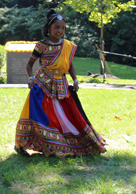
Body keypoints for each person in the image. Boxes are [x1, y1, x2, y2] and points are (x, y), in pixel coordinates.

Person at [14, 10, 106, 157]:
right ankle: (31, 143)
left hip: (61, 84)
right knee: (41, 112)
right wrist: (30, 78)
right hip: (42, 84)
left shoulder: (67, 46)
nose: (60, 31)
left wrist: (75, 79)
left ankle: (66, 140)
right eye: (57, 27)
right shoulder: (41, 45)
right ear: (49, 28)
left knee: (66, 112)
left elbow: (69, 65)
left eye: (62, 28)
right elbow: (29, 65)